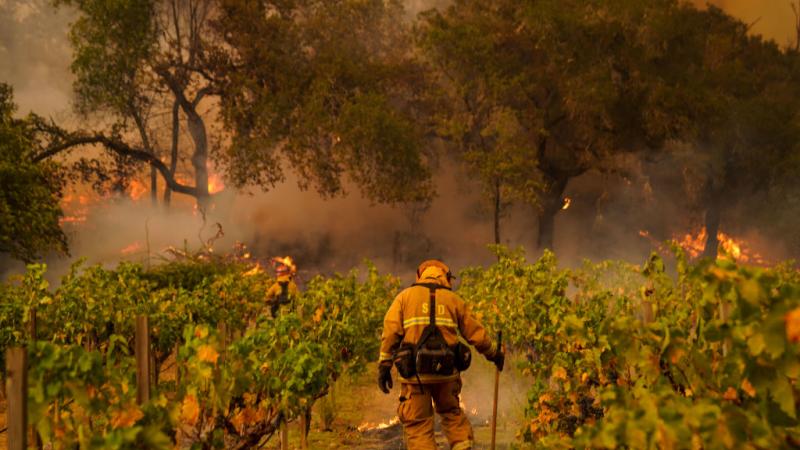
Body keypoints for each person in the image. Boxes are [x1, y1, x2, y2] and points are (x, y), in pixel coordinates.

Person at [378, 259, 504, 450]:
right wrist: (494, 353)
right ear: (446, 277)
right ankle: (463, 446)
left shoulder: (404, 297)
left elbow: (390, 333)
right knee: (452, 414)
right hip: (447, 375)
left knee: (418, 424)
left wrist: (384, 366)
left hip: (416, 377)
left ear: (420, 275)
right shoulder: (454, 300)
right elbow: (475, 334)